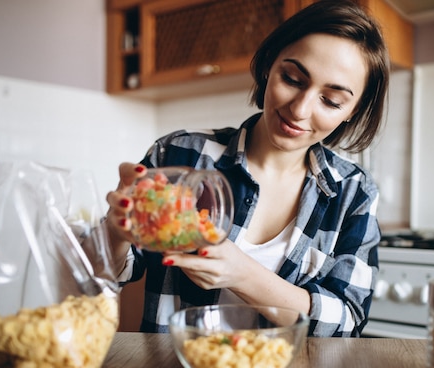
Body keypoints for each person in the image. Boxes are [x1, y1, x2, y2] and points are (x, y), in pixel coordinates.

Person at [104, 0, 389, 337]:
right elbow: (108, 272)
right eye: (293, 78)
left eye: (331, 101)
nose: (299, 110)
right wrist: (116, 233)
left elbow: (347, 322)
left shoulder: (353, 193)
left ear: (351, 112)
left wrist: (243, 275)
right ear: (270, 65)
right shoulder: (180, 154)